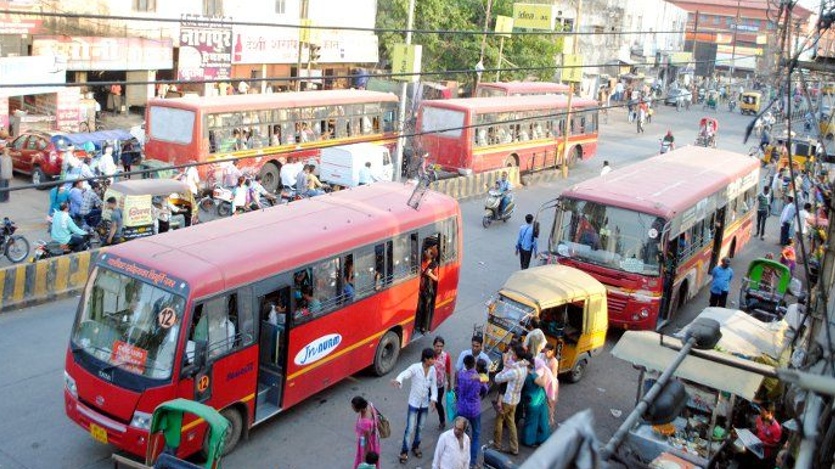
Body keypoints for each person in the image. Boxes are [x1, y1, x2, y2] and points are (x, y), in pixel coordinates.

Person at [391, 347, 438, 464]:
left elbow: (434, 386)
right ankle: (404, 451)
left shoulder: (433, 370)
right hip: (414, 403)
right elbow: (405, 374)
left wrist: (433, 399)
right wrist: (398, 380)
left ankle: (416, 446)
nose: (434, 361)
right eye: (432, 359)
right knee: (410, 429)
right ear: (426, 359)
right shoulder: (415, 368)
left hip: (424, 404)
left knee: (420, 427)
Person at [492, 345, 528, 456]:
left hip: (507, 400)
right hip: (515, 400)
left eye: (513, 354)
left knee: (499, 421)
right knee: (511, 423)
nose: (511, 355)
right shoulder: (524, 367)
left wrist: (503, 370)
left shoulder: (514, 371)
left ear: (516, 356)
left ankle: (497, 444)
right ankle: (514, 448)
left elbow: (498, 379)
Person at [455, 354, 488, 466]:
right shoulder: (479, 377)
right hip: (474, 410)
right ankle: (472, 463)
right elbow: (485, 390)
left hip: (462, 409)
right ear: (474, 364)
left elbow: (457, 388)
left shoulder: (461, 375)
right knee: (476, 435)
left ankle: (458, 460)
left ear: (465, 364)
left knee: (459, 434)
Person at [520, 356, 551, 447]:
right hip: (536, 400)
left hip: (531, 399)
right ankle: (530, 440)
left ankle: (535, 439)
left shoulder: (523, 373)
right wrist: (545, 372)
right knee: (534, 421)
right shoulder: (532, 375)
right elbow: (543, 383)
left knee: (536, 420)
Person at [351, 396, 381, 469]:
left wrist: (364, 458)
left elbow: (367, 441)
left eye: (353, 407)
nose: (352, 408)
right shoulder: (369, 404)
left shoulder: (365, 422)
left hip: (366, 443)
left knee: (366, 462)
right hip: (375, 439)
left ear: (359, 407)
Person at [417, 248, 439, 333]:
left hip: (427, 291)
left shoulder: (433, 265)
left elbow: (437, 278)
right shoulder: (422, 261)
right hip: (420, 288)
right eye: (426, 250)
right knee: (419, 308)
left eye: (428, 252)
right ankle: (418, 325)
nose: (425, 252)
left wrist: (429, 274)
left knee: (426, 309)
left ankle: (424, 327)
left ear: (432, 256)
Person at [433, 336, 452, 430]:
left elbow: (448, 371)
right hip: (429, 385)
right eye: (437, 346)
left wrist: (449, 384)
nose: (439, 348)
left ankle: (442, 421)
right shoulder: (429, 355)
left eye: (441, 346)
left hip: (439, 386)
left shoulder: (446, 356)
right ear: (434, 346)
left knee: (438, 403)